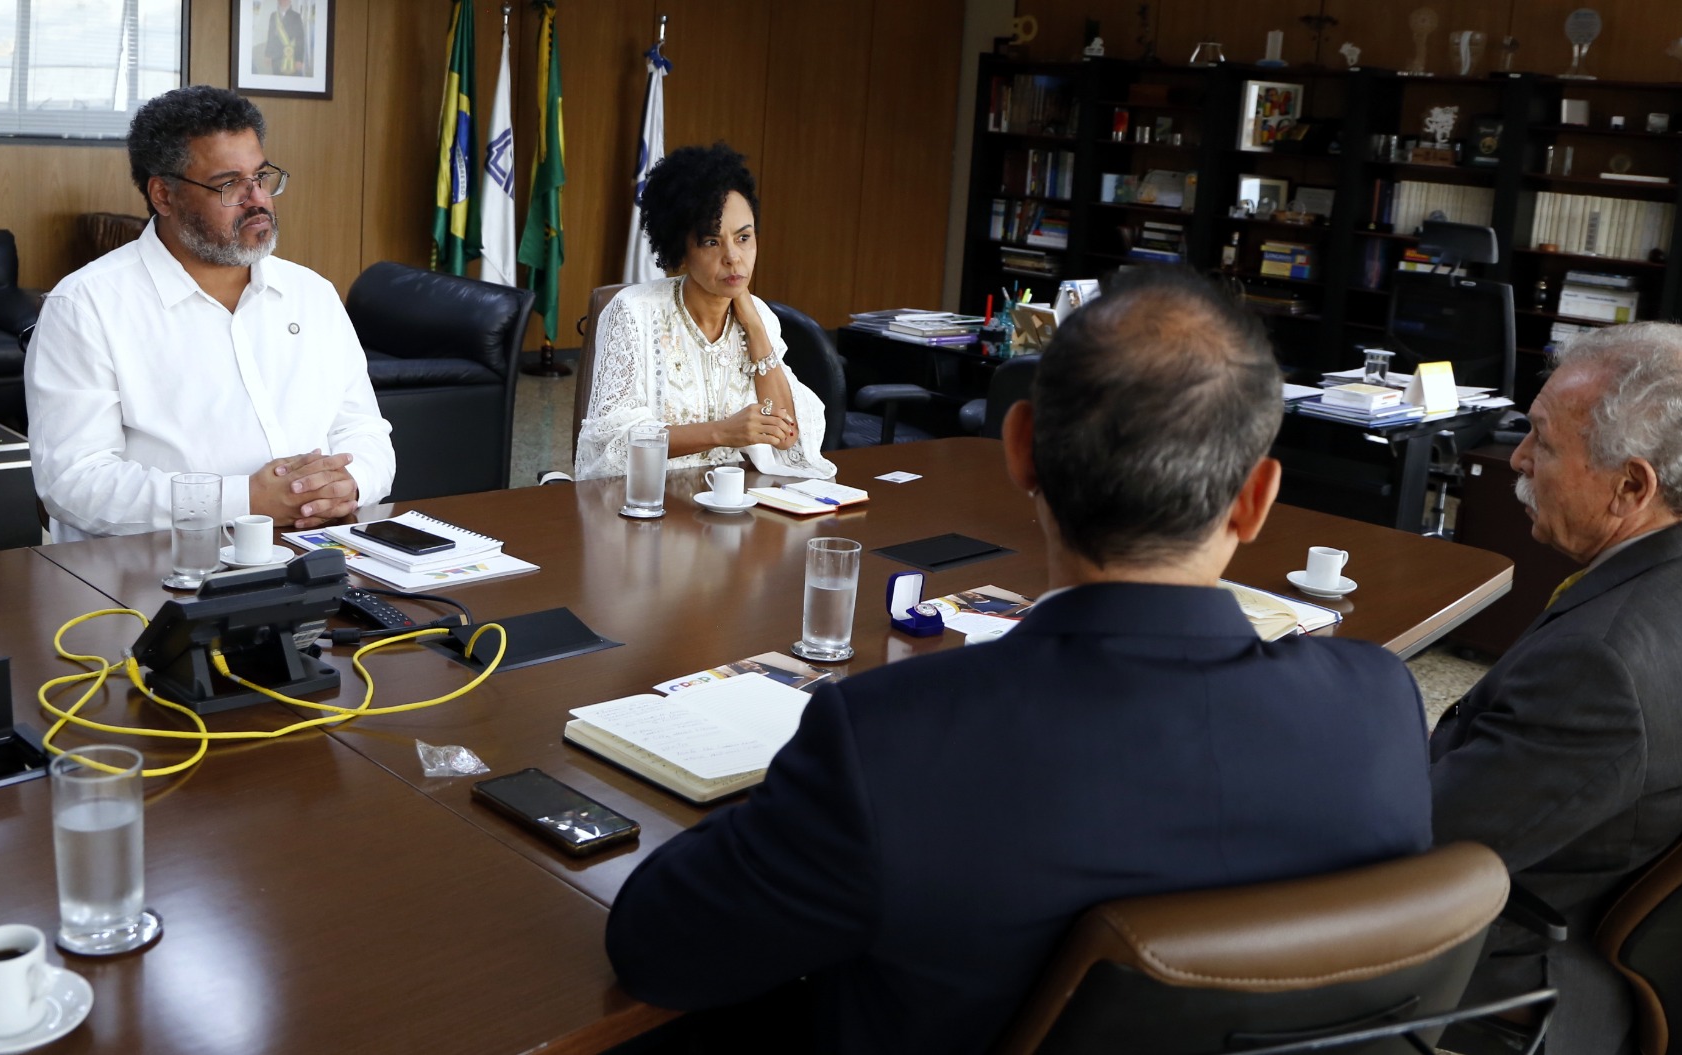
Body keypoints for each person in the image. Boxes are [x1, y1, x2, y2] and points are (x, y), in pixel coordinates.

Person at [606, 268, 1435, 1053]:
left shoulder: (892, 743)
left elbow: (655, 945)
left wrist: (794, 799)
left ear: (1020, 449)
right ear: (1256, 499)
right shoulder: (1380, 709)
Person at [1430, 322, 1682, 1054]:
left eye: (1543, 441)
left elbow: (1423, 842)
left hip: (1512, 954)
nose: (1518, 457)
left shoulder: (1601, 666)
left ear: (1632, 486)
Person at [26, 86, 392, 541]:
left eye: (261, 176)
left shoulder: (311, 293)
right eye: (229, 184)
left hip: (314, 550)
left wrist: (348, 485)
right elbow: (74, 483)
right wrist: (245, 500)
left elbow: (364, 430)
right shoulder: (85, 306)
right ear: (164, 195)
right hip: (153, 567)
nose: (258, 200)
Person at [574, 142, 834, 480]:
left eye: (743, 238)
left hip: (734, 501)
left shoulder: (760, 317)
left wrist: (755, 328)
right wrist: (721, 432)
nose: (733, 257)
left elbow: (786, 438)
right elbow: (611, 445)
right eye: (712, 242)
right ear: (680, 250)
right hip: (648, 497)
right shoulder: (633, 313)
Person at [265, 0, 307, 77]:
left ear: (290, 1)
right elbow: (270, 36)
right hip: (276, 57)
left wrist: (299, 59)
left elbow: (300, 39)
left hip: (292, 56)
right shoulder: (273, 16)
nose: (283, 1)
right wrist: (268, 54)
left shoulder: (296, 16)